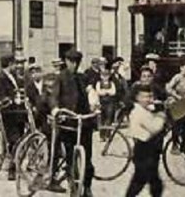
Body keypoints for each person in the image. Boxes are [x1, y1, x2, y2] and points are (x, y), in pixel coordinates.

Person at [49, 49, 96, 197]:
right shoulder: (61, 78)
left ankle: (87, 187)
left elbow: (90, 90)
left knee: (87, 159)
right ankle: (73, 185)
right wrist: (56, 109)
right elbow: (54, 96)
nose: (74, 65)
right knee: (70, 158)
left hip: (84, 122)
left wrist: (95, 100)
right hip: (68, 122)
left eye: (77, 62)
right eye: (71, 62)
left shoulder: (84, 77)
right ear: (67, 61)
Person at [125, 83, 167, 197]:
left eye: (150, 96)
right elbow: (155, 128)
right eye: (144, 97)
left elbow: (153, 108)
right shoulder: (138, 112)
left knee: (154, 181)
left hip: (149, 149)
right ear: (137, 98)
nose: (148, 99)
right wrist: (162, 116)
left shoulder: (145, 108)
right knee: (140, 181)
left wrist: (158, 107)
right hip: (143, 149)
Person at [0, 53, 26, 180]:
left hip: (17, 111)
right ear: (10, 64)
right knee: (14, 140)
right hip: (8, 113)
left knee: (20, 138)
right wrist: (7, 99)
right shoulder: (1, 78)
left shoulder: (13, 76)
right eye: (14, 63)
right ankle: (11, 170)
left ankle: (16, 164)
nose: (17, 66)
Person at [96, 68, 118, 140]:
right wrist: (107, 92)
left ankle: (108, 134)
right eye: (103, 75)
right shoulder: (99, 83)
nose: (105, 77)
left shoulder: (111, 83)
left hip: (110, 103)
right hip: (102, 103)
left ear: (109, 76)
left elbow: (113, 92)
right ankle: (102, 136)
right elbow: (98, 92)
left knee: (109, 118)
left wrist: (105, 91)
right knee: (102, 119)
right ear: (101, 76)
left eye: (106, 76)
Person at [25, 64, 48, 131]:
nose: (35, 75)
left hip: (46, 112)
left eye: (37, 72)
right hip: (36, 113)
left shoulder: (46, 85)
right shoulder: (29, 87)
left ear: (41, 73)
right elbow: (29, 100)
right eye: (33, 73)